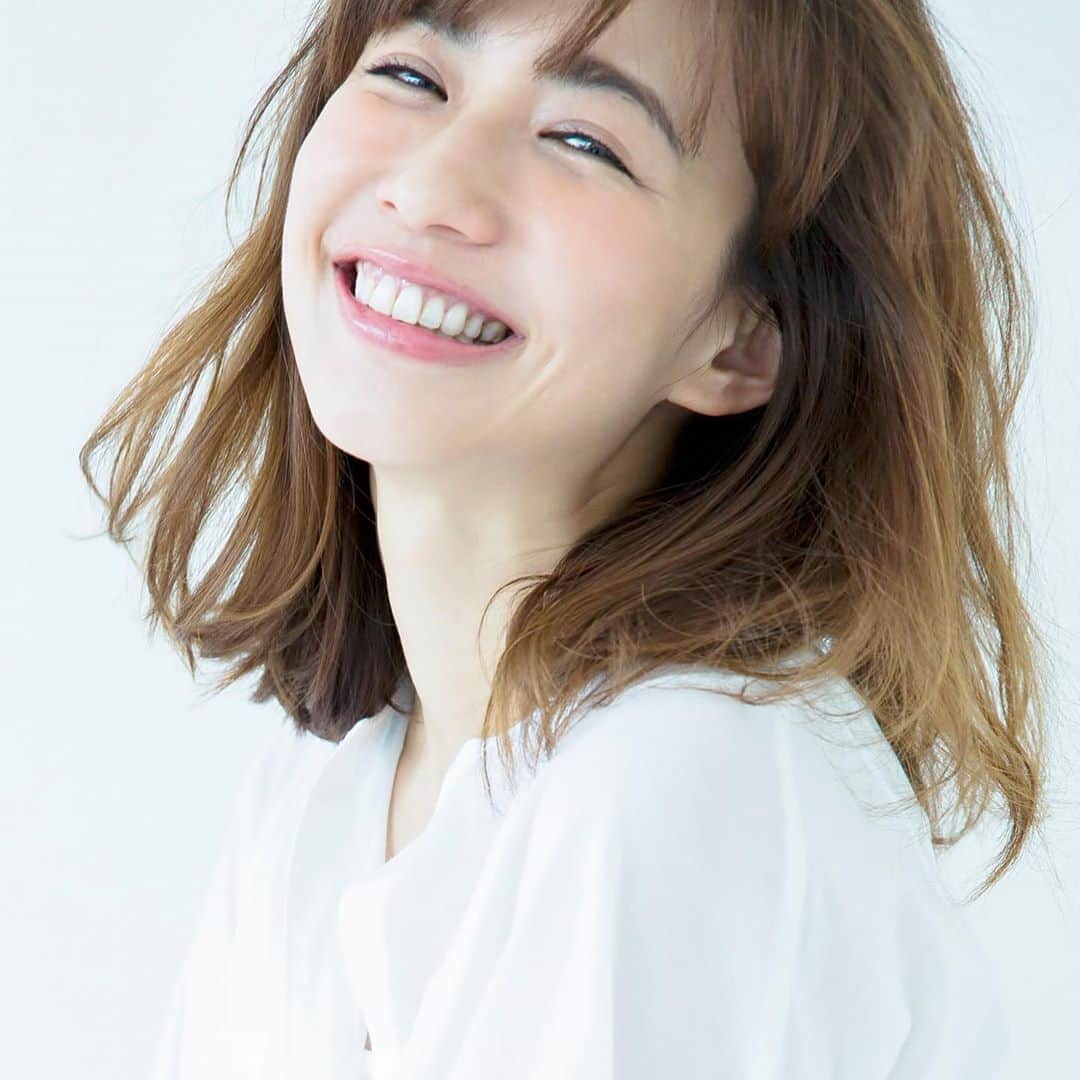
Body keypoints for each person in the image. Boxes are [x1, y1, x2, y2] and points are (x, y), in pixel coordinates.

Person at [79, 0, 1049, 1077]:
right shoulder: (328, 784)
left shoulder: (684, 783)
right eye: (412, 78)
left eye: (584, 141)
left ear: (745, 340)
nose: (432, 188)